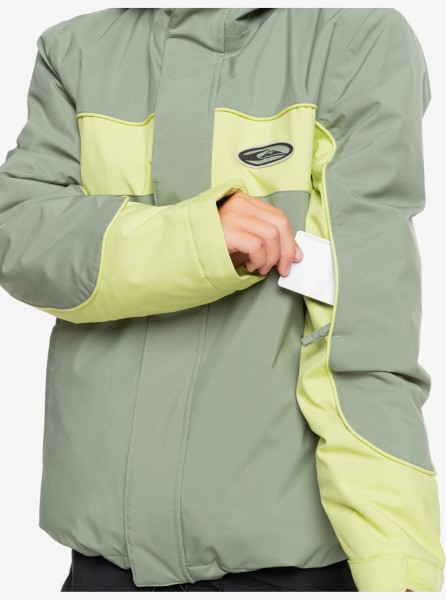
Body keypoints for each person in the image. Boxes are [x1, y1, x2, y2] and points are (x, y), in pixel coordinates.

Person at [0, 7, 444, 593]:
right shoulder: (74, 50)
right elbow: (22, 238)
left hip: (290, 574)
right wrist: (198, 237)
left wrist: (398, 567)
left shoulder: (351, 38)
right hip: (104, 567)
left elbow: (362, 332)